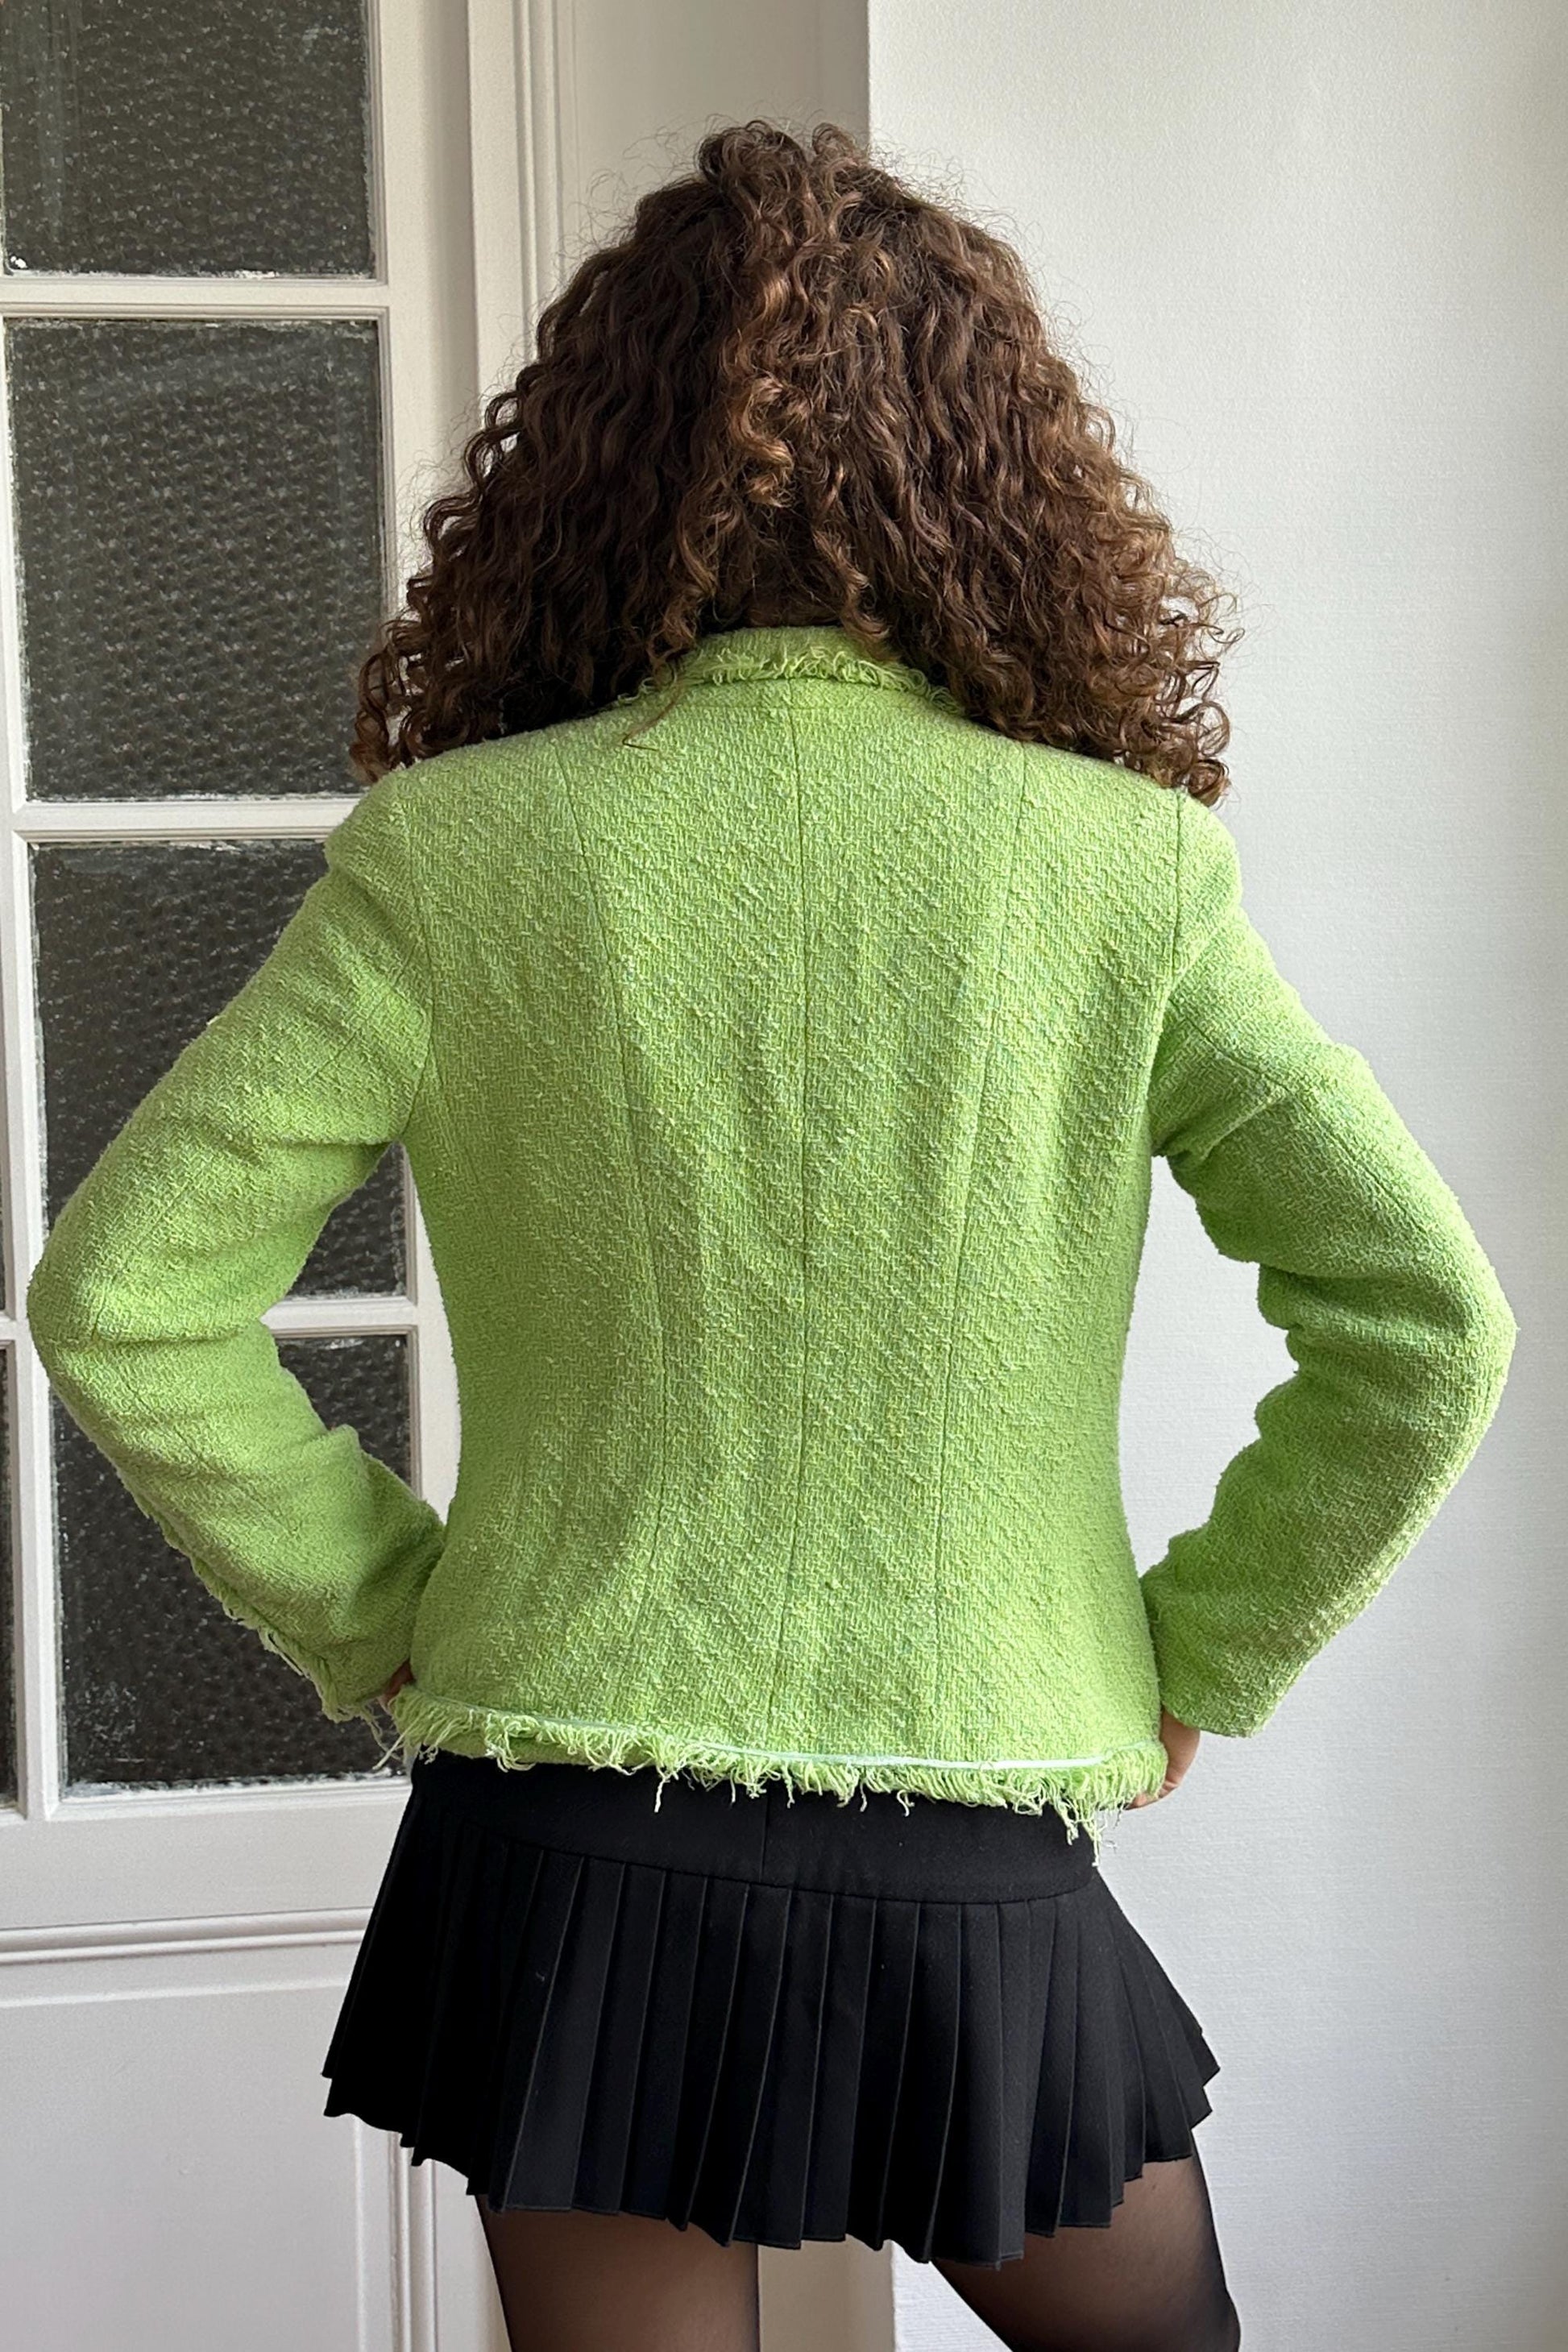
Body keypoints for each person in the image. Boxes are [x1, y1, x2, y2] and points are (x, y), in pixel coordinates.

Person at [25, 119, 1515, 2352]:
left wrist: (384, 1609)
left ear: (584, 472)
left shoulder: (460, 854)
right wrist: (1195, 1654)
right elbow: (1421, 1324)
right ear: (1002, 476)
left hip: (564, 1835)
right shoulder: (1120, 875)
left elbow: (121, 1295)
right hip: (967, 1825)